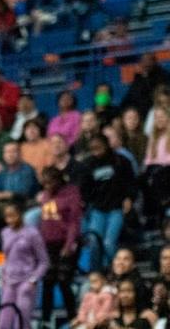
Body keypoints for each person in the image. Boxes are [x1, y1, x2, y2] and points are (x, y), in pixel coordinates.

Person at [80, 133, 135, 271]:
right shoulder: (88, 164)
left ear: (106, 144)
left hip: (116, 208)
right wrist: (88, 202)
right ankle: (96, 273)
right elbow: (84, 188)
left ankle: (114, 270)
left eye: (99, 146)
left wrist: (129, 197)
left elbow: (131, 182)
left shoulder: (121, 161)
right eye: (93, 148)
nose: (96, 150)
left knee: (109, 243)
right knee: (94, 242)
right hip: (98, 209)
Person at [38, 166, 82, 325]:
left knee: (64, 280)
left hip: (65, 243)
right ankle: (45, 320)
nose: (47, 186)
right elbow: (44, 222)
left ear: (58, 180)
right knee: (48, 282)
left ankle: (73, 318)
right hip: (48, 244)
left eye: (50, 183)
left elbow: (74, 222)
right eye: (44, 183)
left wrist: (69, 245)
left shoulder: (71, 193)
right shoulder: (45, 195)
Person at [0, 202, 48, 329]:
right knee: (4, 318)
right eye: (7, 217)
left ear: (20, 215)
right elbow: (5, 257)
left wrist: (33, 280)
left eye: (13, 216)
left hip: (26, 281)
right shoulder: (4, 232)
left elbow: (44, 261)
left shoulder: (33, 233)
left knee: (21, 319)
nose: (10, 220)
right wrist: (3, 275)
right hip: (9, 280)